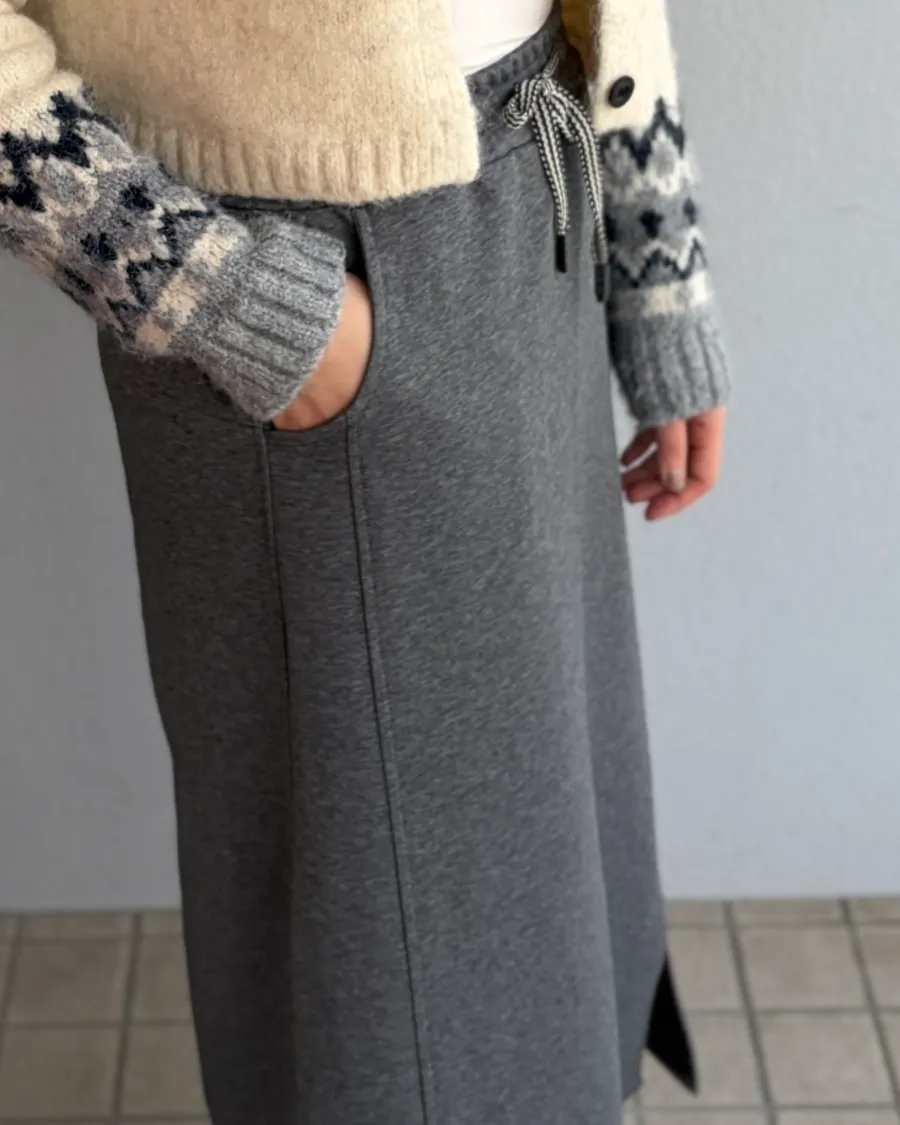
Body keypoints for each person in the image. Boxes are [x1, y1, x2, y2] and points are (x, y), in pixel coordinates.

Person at [0, 1, 729, 1121]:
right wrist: (234, 302)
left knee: (542, 830)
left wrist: (655, 253)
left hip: (540, 173)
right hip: (295, 277)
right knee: (379, 950)